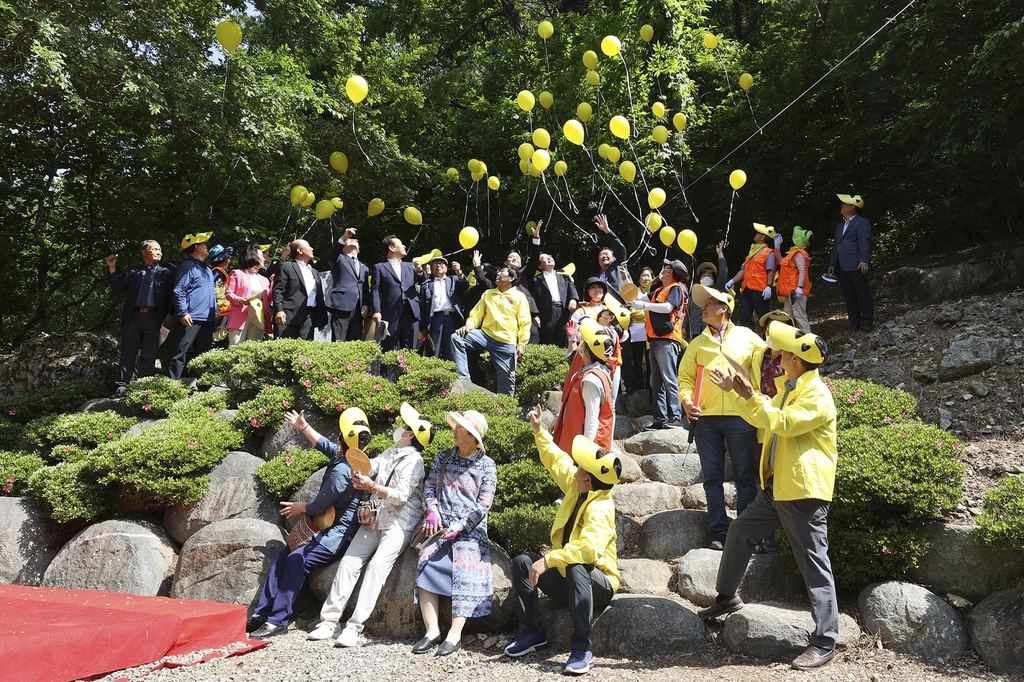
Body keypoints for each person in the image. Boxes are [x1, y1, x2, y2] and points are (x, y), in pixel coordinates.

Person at [699, 323, 839, 672]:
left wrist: (748, 396)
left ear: (795, 359)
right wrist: (738, 393)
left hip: (803, 492)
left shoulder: (817, 394)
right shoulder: (790, 389)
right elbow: (761, 418)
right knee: (740, 530)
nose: (778, 356)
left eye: (784, 353)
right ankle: (727, 597)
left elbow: (784, 424)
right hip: (777, 488)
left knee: (814, 563)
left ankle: (825, 640)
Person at [506, 406, 621, 676]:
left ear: (589, 481)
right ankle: (533, 633)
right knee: (523, 562)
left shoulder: (601, 508)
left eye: (582, 468)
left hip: (599, 583)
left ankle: (582, 648)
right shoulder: (577, 484)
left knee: (576, 566)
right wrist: (538, 431)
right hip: (569, 578)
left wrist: (549, 559)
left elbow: (589, 551)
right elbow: (557, 460)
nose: (577, 468)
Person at [307, 403, 431, 647]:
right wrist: (358, 469)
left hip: (399, 524)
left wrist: (371, 487)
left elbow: (401, 496)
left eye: (404, 427)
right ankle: (329, 622)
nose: (399, 428)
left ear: (411, 435)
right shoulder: (391, 450)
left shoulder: (416, 461)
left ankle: (354, 627)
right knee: (349, 562)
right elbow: (372, 465)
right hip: (375, 517)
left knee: (376, 569)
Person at [247, 407, 364, 638]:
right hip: (322, 529)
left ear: (342, 440)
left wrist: (301, 507)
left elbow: (320, 505)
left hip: (335, 536)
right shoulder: (348, 456)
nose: (335, 440)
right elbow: (324, 445)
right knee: (284, 555)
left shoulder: (343, 472)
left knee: (296, 560)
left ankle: (277, 620)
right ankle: (262, 613)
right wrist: (303, 426)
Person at [678, 285, 766, 550]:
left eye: (709, 303)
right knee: (712, 478)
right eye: (704, 304)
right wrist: (686, 401)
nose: (703, 307)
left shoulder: (748, 337)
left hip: (742, 415)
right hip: (705, 419)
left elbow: (769, 364)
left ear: (724, 309)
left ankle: (746, 532)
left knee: (745, 477)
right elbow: (684, 379)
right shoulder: (696, 343)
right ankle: (720, 531)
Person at [413, 410, 496, 657]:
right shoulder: (444, 457)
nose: (455, 431)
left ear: (472, 436)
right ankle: (432, 631)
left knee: (466, 570)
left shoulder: (487, 465)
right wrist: (432, 510)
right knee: (425, 559)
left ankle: (454, 634)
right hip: (439, 527)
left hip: (470, 531)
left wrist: (460, 526)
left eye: (460, 428)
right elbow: (429, 486)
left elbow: (484, 504)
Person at [105, 240, 174, 397]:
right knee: (128, 350)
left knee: (150, 351)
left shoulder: (166, 273)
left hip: (155, 316)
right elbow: (118, 287)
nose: (158, 252)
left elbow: (172, 296)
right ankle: (122, 385)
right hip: (134, 316)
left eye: (160, 249)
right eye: (154, 249)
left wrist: (169, 316)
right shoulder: (133, 272)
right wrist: (112, 268)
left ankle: (145, 386)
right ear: (144, 252)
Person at [451, 266, 531, 396]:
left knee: (507, 387)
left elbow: (525, 322)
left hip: (505, 342)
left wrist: (522, 343)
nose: (498, 273)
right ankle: (463, 380)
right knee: (457, 338)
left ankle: (504, 413)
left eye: (502, 272)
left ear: (511, 278)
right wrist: (468, 326)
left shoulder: (519, 297)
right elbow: (476, 314)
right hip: (485, 335)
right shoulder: (488, 293)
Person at [630, 259, 688, 431]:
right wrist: (626, 279)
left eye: (665, 268)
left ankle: (676, 418)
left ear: (671, 273)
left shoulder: (676, 288)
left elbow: (668, 307)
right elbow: (637, 296)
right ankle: (659, 419)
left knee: (669, 379)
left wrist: (645, 305)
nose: (662, 270)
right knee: (655, 382)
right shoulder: (659, 290)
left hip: (668, 338)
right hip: (655, 340)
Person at [552, 319, 615, 453]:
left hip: (583, 447)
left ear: (586, 352)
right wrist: (558, 418)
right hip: (573, 438)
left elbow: (592, 418)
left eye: (583, 345)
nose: (580, 347)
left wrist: (586, 453)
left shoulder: (592, 379)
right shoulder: (587, 371)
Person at [168, 232, 217, 380]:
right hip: (190, 317)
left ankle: (203, 388)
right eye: (204, 244)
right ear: (197, 247)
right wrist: (183, 312)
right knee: (180, 351)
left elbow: (210, 294)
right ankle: (173, 386)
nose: (207, 247)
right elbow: (179, 291)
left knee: (204, 355)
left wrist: (214, 311)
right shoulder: (187, 267)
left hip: (206, 319)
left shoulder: (207, 269)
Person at [525, 220, 580, 346]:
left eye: (550, 256)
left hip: (563, 312)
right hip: (546, 314)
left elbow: (572, 290)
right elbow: (532, 298)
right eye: (544, 258)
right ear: (539, 266)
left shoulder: (564, 277)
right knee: (547, 343)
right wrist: (535, 315)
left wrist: (573, 300)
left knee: (564, 341)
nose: (549, 258)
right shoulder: (536, 280)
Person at [370, 235, 426, 351]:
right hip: (390, 312)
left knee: (411, 350)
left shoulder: (410, 267)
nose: (404, 246)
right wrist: (376, 310)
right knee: (389, 349)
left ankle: (409, 370)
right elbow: (375, 290)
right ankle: (387, 370)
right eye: (401, 243)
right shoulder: (379, 267)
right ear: (391, 248)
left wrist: (420, 270)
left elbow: (422, 280)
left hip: (411, 311)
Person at [828, 193, 873, 331]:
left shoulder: (862, 222)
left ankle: (867, 322)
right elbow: (836, 245)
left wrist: (864, 260)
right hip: (842, 265)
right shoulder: (840, 226)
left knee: (862, 293)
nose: (841, 206)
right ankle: (854, 322)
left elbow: (864, 242)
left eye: (844, 204)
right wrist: (832, 263)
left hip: (856, 263)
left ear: (852, 207)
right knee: (848, 295)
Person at [272, 239, 328, 340]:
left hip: (308, 317)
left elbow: (319, 296)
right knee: (283, 350)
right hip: (287, 316)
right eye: (309, 246)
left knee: (305, 351)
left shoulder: (314, 272)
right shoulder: (286, 267)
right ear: (300, 250)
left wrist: (321, 319)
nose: (312, 249)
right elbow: (278, 290)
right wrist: (279, 310)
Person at [725, 223, 778, 330]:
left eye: (757, 233)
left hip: (760, 290)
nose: (755, 235)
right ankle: (750, 340)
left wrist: (768, 286)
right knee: (745, 317)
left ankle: (768, 341)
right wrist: (732, 281)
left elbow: (771, 271)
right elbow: (743, 270)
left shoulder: (769, 253)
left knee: (764, 317)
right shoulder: (752, 253)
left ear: (763, 238)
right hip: (746, 289)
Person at [418, 255, 468, 361]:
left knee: (450, 350)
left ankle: (451, 375)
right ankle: (432, 375)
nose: (439, 265)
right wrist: (422, 327)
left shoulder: (453, 279)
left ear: (446, 267)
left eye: (442, 263)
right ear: (430, 268)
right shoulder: (427, 285)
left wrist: (459, 271)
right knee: (433, 350)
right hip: (434, 318)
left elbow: (464, 285)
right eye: (435, 263)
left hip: (452, 318)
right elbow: (422, 307)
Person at [326, 227, 370, 342]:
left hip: (358, 309)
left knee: (354, 342)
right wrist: (344, 237)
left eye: (355, 241)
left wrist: (366, 303)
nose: (353, 240)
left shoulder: (365, 268)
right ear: (343, 249)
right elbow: (332, 256)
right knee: (339, 341)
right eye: (349, 240)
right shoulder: (339, 259)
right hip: (341, 305)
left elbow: (365, 289)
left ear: (359, 249)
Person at [224, 245, 271, 346]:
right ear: (252, 256)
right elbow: (228, 293)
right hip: (240, 315)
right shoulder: (237, 273)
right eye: (261, 255)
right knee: (235, 347)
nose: (264, 258)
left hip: (258, 317)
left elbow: (268, 299)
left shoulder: (265, 279)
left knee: (253, 349)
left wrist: (274, 284)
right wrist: (241, 300)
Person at [621, 266, 654, 394]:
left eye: (649, 275)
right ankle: (639, 388)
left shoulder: (656, 291)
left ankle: (651, 389)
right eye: (643, 276)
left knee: (651, 360)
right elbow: (628, 289)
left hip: (652, 331)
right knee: (637, 359)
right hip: (636, 330)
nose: (646, 278)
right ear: (638, 279)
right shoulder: (635, 292)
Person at [688, 241, 729, 340]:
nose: (706, 277)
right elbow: (687, 313)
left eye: (709, 276)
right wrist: (684, 328)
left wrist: (720, 255)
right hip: (694, 331)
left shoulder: (716, 291)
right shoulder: (695, 293)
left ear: (714, 280)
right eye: (703, 276)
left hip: (712, 331)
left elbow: (723, 274)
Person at [776, 226, 813, 333]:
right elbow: (780, 262)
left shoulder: (799, 254)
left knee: (799, 315)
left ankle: (808, 341)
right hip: (791, 291)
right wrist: (777, 246)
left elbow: (802, 270)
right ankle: (793, 342)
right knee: (788, 315)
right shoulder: (793, 253)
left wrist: (800, 287)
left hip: (796, 291)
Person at [591, 214, 628, 297]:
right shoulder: (596, 277)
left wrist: (607, 231)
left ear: (614, 257)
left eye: (606, 254)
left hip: (621, 304)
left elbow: (620, 248)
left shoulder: (619, 265)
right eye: (601, 255)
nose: (604, 256)